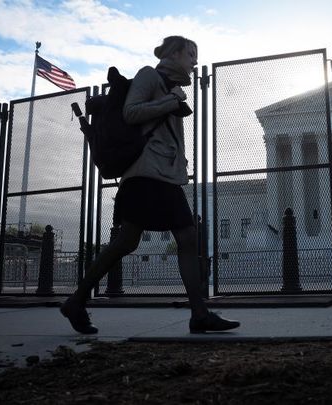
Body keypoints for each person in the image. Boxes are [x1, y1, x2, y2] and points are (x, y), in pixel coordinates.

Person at [60, 36, 239, 334]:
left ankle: (76, 301)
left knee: (128, 242)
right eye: (190, 54)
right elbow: (132, 112)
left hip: (158, 174)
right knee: (186, 237)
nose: (194, 61)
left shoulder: (171, 86)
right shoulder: (149, 75)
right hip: (148, 174)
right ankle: (199, 314)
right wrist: (171, 101)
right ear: (174, 53)